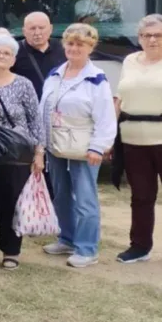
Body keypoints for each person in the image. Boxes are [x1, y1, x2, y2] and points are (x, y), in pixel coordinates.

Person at [39, 23, 116, 268]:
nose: (74, 48)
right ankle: (67, 238)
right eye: (70, 43)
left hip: (84, 147)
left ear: (90, 47)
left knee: (84, 198)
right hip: (56, 144)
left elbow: (105, 116)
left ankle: (87, 248)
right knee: (61, 195)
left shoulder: (96, 79)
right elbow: (44, 109)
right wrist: (41, 144)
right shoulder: (55, 74)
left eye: (80, 44)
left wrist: (99, 146)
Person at [0, 35, 44, 270]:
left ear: (14, 58)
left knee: (12, 200)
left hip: (17, 152)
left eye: (6, 53)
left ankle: (11, 250)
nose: (0, 56)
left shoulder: (23, 84)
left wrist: (39, 153)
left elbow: (35, 120)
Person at [115, 14, 162, 263]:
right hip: (133, 139)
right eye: (147, 35)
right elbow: (119, 98)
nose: (152, 39)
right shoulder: (130, 60)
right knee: (141, 196)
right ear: (140, 38)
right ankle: (140, 246)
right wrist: (109, 134)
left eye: (158, 35)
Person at [13, 12, 66, 97]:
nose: (37, 33)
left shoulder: (64, 48)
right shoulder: (13, 51)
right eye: (32, 28)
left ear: (51, 29)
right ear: (24, 31)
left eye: (41, 28)